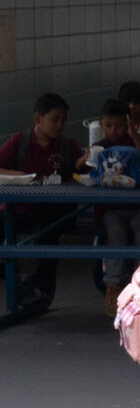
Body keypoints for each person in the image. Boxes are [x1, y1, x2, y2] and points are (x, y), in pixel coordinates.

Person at [0, 92, 87, 317]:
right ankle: (17, 280)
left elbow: (81, 175)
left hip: (53, 213)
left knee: (47, 232)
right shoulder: (19, 143)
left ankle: (40, 290)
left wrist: (83, 166)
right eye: (54, 119)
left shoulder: (68, 146)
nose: (60, 125)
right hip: (17, 211)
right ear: (38, 118)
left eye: (63, 120)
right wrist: (22, 176)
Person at [86, 99, 140, 319]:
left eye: (118, 125)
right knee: (116, 234)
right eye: (108, 125)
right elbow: (86, 169)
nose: (113, 130)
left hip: (138, 207)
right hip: (111, 209)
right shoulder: (100, 149)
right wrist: (84, 158)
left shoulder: (133, 146)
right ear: (102, 125)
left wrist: (135, 137)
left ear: (127, 125)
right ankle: (113, 286)